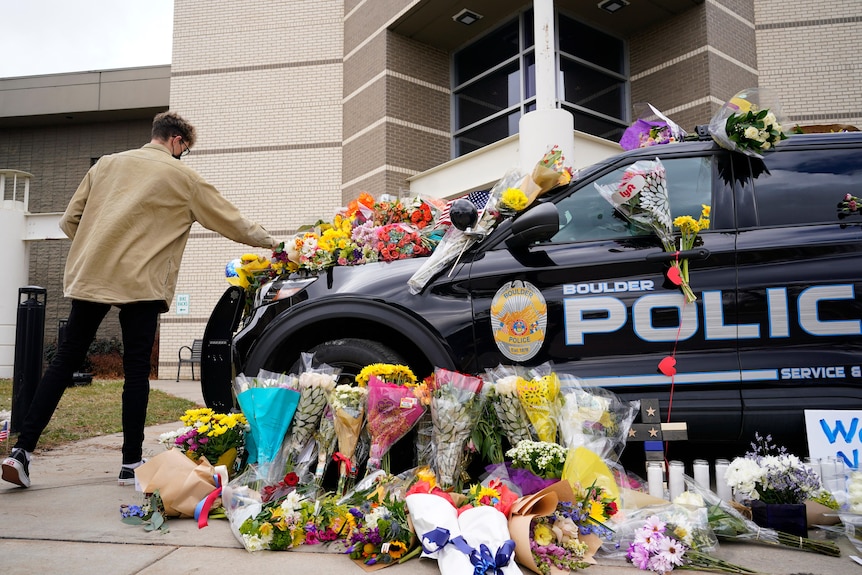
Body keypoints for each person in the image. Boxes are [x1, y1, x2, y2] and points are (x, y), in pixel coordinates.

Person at [2, 111, 278, 488]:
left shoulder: (105, 166)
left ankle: (22, 452)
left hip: (93, 276)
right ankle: (130, 461)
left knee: (64, 360)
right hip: (143, 283)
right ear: (178, 141)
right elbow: (231, 222)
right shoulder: (182, 177)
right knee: (135, 370)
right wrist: (276, 244)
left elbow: (69, 221)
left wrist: (100, 244)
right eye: (185, 149)